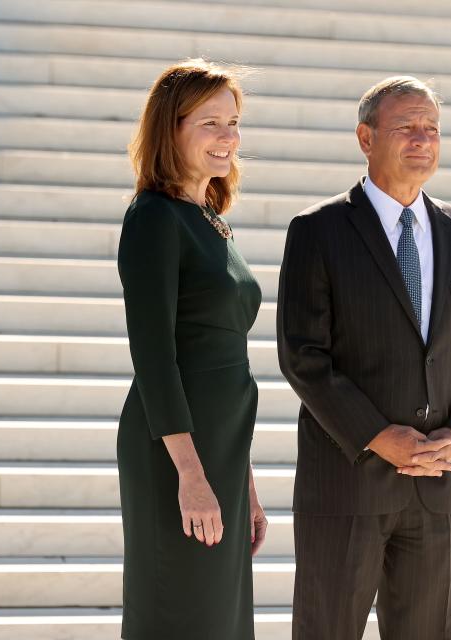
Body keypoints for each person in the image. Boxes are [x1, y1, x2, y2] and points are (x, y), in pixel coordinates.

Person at [277, 75, 451, 640]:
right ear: (365, 136)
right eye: (406, 127)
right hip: (346, 484)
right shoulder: (318, 230)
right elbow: (303, 356)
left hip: (435, 485)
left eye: (432, 129)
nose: (422, 139)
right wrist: (379, 435)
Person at [116, 58, 267, 639]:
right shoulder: (154, 219)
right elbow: (155, 357)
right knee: (180, 612)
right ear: (170, 130)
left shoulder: (210, 221)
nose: (228, 137)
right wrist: (191, 474)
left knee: (221, 618)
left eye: (233, 122)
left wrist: (243, 482)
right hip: (175, 453)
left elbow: (226, 362)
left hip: (221, 451)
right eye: (210, 123)